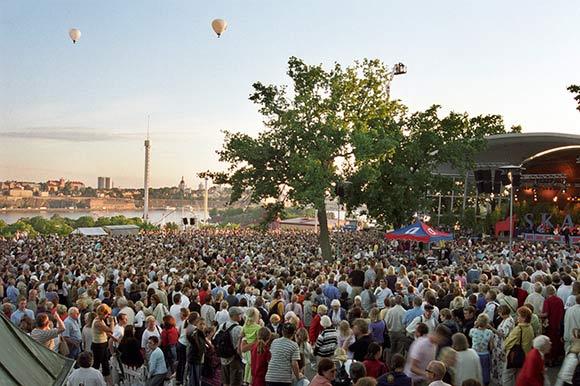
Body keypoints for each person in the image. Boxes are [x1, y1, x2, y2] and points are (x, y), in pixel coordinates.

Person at [502, 306, 534, 386]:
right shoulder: (530, 328)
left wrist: (504, 347)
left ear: (523, 318)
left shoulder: (518, 329)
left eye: (519, 315)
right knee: (519, 377)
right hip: (525, 356)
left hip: (514, 355)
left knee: (507, 377)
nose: (517, 317)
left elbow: (508, 343)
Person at [219, 306, 244, 386]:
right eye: (239, 314)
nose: (241, 316)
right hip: (234, 358)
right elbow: (239, 345)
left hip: (223, 357)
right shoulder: (239, 328)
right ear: (234, 316)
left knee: (225, 382)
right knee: (235, 382)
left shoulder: (222, 326)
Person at [541, 285, 565, 365]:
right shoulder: (560, 300)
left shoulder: (547, 301)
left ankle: (550, 360)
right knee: (557, 341)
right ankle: (556, 358)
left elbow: (546, 314)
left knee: (550, 342)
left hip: (550, 325)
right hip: (559, 324)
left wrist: (538, 315)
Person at [468, 314, 493, 385]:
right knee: (485, 370)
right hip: (485, 354)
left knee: (474, 370)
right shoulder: (489, 332)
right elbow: (491, 346)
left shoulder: (473, 331)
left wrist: (475, 325)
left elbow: (470, 335)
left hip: (474, 354)